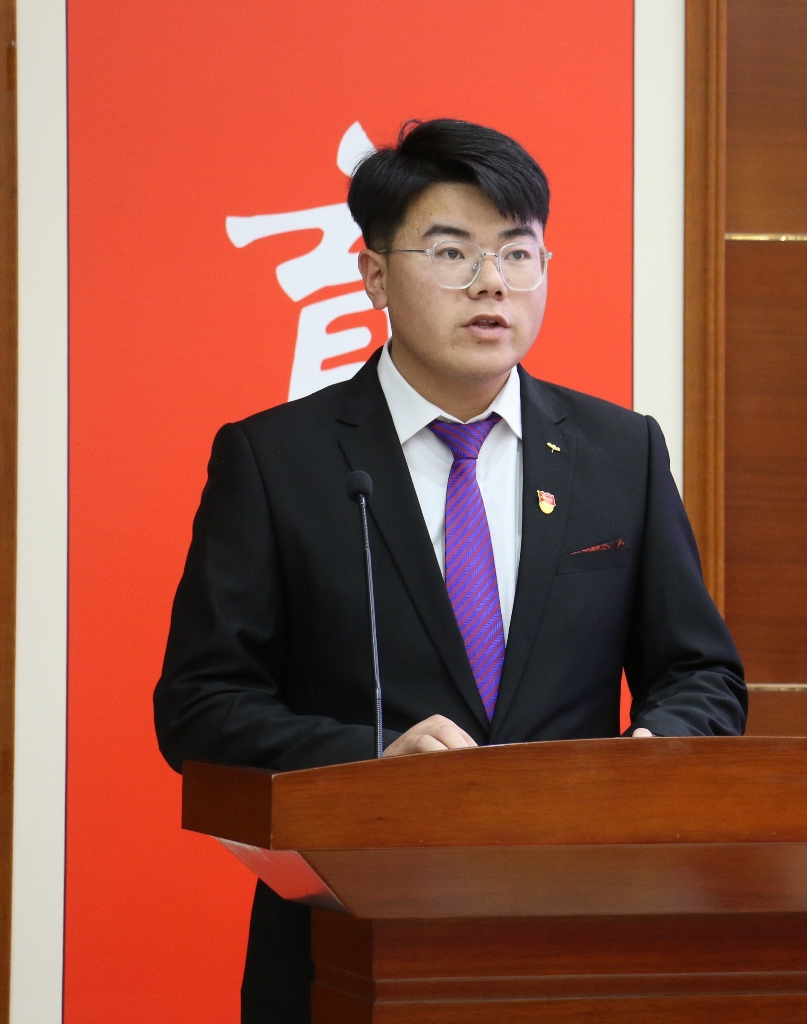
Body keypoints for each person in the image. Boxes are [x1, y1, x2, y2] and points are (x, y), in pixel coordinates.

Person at [149, 119, 747, 1023]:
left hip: (580, 931)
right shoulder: (277, 461)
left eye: (518, 253)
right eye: (451, 252)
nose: (491, 283)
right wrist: (369, 761)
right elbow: (199, 707)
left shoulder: (620, 453)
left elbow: (701, 673)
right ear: (374, 275)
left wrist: (658, 754)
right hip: (351, 938)